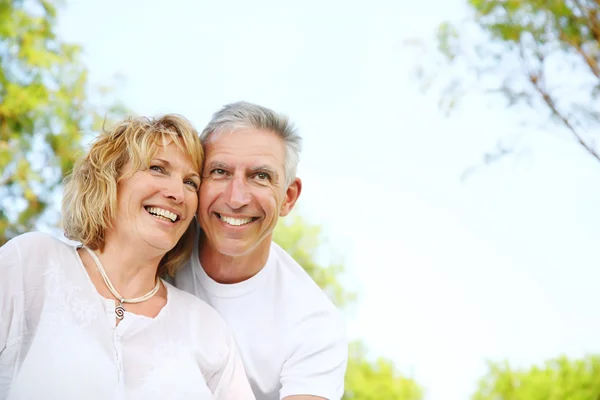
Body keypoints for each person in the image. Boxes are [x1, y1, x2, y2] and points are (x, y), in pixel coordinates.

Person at [0, 115, 255, 399]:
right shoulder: (32, 264)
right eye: (157, 168)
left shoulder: (208, 329)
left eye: (190, 183)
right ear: (109, 179)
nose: (177, 194)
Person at [172, 101, 348, 400]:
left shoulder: (314, 325)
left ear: (287, 198)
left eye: (261, 176)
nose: (237, 198)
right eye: (219, 171)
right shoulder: (158, 250)